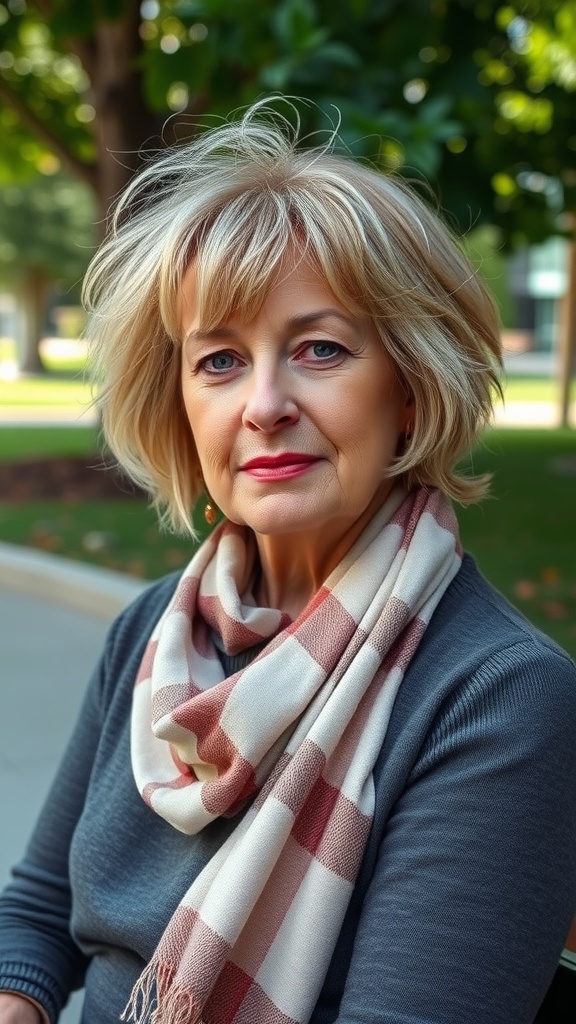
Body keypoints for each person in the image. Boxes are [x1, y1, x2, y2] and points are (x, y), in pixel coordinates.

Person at [0, 99, 575, 1024]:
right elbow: (33, 911)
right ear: (180, 403)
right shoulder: (149, 634)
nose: (263, 404)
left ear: (411, 391)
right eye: (220, 361)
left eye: (319, 349)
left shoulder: (498, 697)